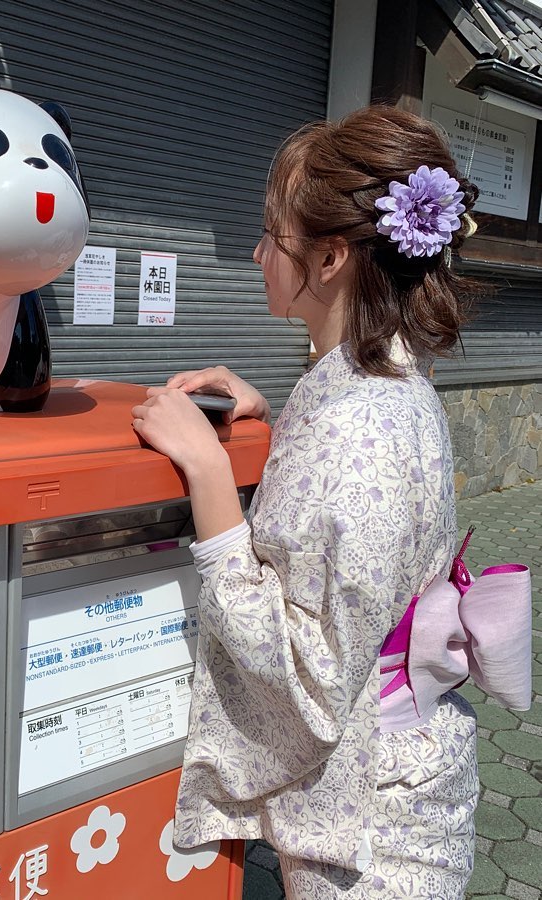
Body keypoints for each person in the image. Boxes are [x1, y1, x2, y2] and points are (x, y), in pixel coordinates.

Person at [132, 106, 489, 898]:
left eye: (270, 233)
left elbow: (308, 676)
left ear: (329, 256)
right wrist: (282, 416)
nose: (259, 253)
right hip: (407, 781)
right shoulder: (382, 382)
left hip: (373, 839)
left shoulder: (360, 428)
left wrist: (207, 472)